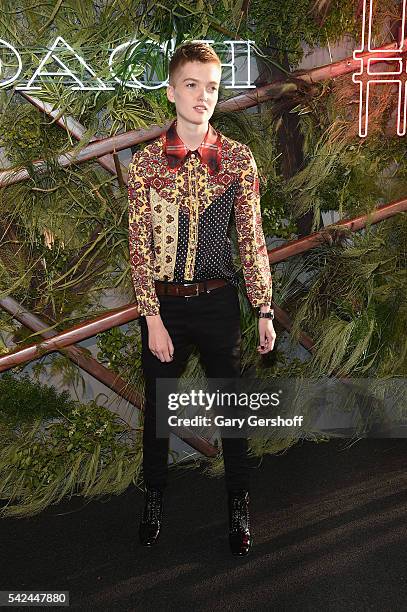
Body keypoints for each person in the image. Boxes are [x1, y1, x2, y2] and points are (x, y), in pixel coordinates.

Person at [127, 41, 275, 556]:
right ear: (171, 92)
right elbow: (139, 245)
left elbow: (250, 236)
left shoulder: (236, 159)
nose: (202, 96)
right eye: (191, 85)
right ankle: (154, 501)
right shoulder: (146, 164)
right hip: (164, 308)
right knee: (158, 412)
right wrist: (152, 317)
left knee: (232, 411)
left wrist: (262, 306)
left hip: (218, 305)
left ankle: (238, 504)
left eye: (211, 87)